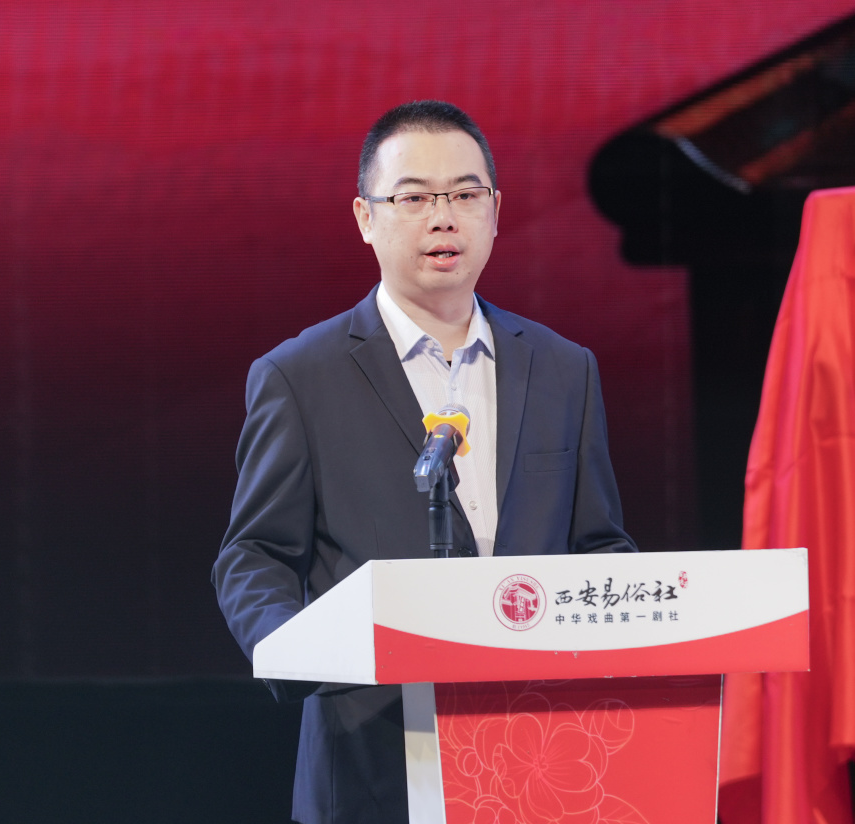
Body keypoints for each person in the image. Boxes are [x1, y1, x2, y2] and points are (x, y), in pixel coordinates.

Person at [212, 100, 636, 824]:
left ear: (495, 212)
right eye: (414, 199)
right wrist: (296, 649)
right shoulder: (300, 376)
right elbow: (254, 554)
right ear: (365, 217)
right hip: (372, 760)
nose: (444, 219)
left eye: (465, 195)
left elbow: (598, 545)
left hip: (536, 756)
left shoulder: (565, 369)